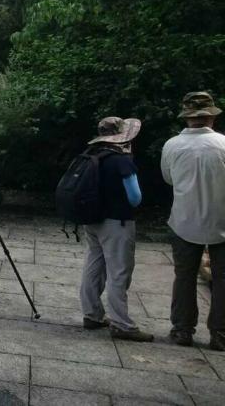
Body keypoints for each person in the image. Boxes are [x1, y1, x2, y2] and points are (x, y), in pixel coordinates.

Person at [79, 117, 153, 342]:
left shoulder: (91, 155)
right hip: (117, 223)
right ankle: (122, 323)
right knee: (119, 272)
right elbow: (135, 198)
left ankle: (91, 314)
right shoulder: (121, 161)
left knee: (94, 265)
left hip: (91, 220)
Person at [161, 91, 225, 350]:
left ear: (187, 117)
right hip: (222, 220)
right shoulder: (223, 144)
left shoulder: (172, 145)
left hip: (184, 220)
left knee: (184, 276)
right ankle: (220, 334)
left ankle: (182, 330)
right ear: (211, 117)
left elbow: (169, 180)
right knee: (222, 279)